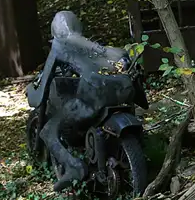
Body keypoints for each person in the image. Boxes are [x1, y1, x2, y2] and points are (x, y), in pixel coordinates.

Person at [27, 11, 134, 190]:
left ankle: (74, 167)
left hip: (89, 101)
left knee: (47, 130)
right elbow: (119, 57)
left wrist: (32, 92)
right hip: (118, 94)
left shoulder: (60, 47)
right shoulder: (94, 47)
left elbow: (43, 88)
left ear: (55, 30)